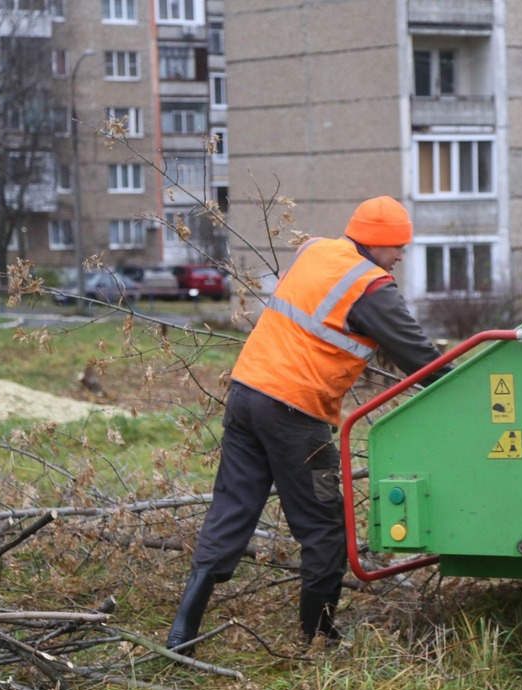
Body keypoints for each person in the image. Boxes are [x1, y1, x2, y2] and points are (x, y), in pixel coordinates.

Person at [167, 196, 448, 653]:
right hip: (295, 413)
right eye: (397, 246)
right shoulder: (370, 285)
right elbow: (421, 357)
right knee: (324, 527)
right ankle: (317, 636)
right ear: (376, 243)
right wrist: (467, 382)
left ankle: (182, 633)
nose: (400, 256)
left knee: (232, 508)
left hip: (245, 393)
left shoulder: (315, 251)